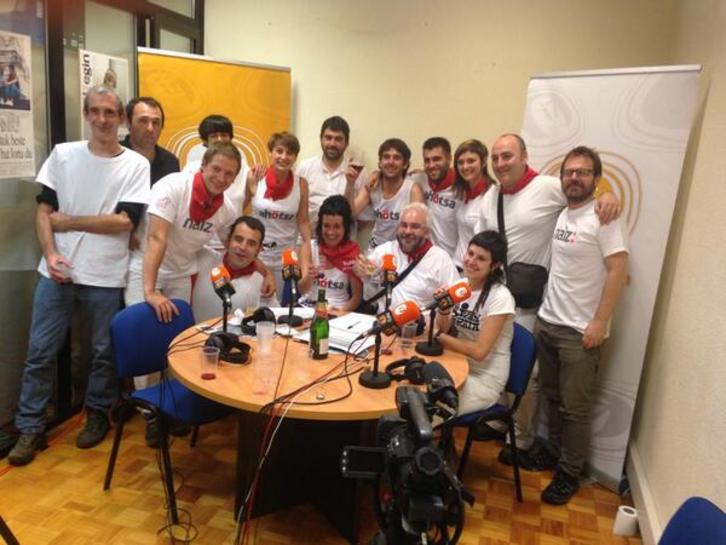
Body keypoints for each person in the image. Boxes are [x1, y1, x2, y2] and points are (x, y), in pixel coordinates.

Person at [8, 86, 150, 466]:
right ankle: (30, 427)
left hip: (105, 275)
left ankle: (97, 413)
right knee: (39, 353)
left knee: (103, 353)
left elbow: (125, 221)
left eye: (110, 113)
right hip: (56, 272)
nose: (103, 120)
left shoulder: (136, 165)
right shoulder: (63, 155)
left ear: (121, 118)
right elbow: (43, 211)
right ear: (86, 114)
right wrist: (51, 253)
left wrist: (70, 221)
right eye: (96, 112)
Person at [474, 133, 619, 467]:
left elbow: (582, 196)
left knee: (527, 372)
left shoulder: (547, 187)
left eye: (507, 156)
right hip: (497, 298)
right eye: (495, 158)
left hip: (529, 301)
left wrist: (607, 194)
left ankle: (522, 439)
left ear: (524, 156)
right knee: (496, 361)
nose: (500, 163)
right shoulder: (491, 195)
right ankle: (500, 422)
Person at [530, 146, 629, 505]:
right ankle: (551, 453)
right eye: (569, 172)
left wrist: (600, 321)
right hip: (549, 320)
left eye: (583, 172)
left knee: (576, 408)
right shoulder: (564, 212)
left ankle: (569, 473)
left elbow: (618, 270)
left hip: (579, 331)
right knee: (552, 397)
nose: (574, 178)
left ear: (596, 179)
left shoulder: (604, 217)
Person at [126, 141, 246, 322]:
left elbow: (233, 245)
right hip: (146, 271)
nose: (221, 178)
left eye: (229, 174)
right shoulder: (173, 186)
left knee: (175, 334)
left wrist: (264, 272)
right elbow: (157, 238)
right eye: (216, 169)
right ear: (203, 165)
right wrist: (150, 292)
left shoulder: (227, 210)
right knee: (140, 329)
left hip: (180, 275)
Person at [435, 231, 515, 415]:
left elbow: (479, 352)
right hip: (456, 365)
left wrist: (440, 337)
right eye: (470, 253)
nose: (471, 261)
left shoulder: (500, 297)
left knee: (427, 408)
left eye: (480, 258)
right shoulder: (460, 286)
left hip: (483, 378)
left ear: (495, 265)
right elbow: (444, 327)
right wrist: (443, 308)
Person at [354, 202, 458, 312]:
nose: (407, 231)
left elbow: (455, 300)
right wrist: (359, 268)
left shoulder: (441, 259)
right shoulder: (385, 250)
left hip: (420, 326)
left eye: (415, 226)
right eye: (404, 225)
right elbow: (361, 270)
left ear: (427, 232)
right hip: (384, 323)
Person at [245, 131, 313, 297]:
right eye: (279, 151)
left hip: (285, 257)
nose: (284, 157)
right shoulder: (255, 176)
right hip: (256, 255)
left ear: (295, 157)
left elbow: (303, 221)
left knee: (280, 308)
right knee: (254, 304)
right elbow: (241, 209)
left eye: (290, 153)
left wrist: (310, 246)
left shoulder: (301, 184)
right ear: (271, 153)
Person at [346, 138, 424, 250]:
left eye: (396, 157)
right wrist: (350, 184)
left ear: (405, 164)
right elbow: (350, 214)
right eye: (386, 157)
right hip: (376, 249)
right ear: (380, 163)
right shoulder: (372, 185)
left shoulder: (412, 189)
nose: (391, 162)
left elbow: (418, 229)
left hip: (403, 251)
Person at [295, 115, 372, 230]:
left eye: (338, 139)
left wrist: (344, 233)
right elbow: (294, 208)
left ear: (346, 143)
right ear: (321, 139)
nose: (332, 143)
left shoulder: (358, 172)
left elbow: (363, 217)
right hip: (310, 241)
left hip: (344, 244)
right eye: (328, 137)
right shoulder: (305, 168)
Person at [193, 216, 274, 321]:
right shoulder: (204, 258)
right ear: (227, 241)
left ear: (258, 250)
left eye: (251, 243)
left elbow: (272, 321)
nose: (243, 247)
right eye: (238, 239)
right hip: (193, 335)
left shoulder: (263, 283)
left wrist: (268, 274)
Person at [298, 195, 362, 312]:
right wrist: (310, 275)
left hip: (338, 311)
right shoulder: (308, 247)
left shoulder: (353, 253)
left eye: (337, 227)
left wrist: (338, 313)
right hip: (307, 309)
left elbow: (356, 297)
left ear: (345, 227)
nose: (331, 232)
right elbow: (302, 289)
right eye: (326, 226)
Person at [182, 114, 249, 219]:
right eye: (214, 136)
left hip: (230, 228)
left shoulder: (244, 168)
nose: (219, 139)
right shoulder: (191, 168)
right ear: (205, 141)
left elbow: (248, 197)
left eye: (224, 135)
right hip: (198, 228)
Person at [411, 137, 460, 256]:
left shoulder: (462, 188)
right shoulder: (420, 179)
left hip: (453, 259)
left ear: (449, 159)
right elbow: (395, 176)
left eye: (437, 159)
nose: (431, 165)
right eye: (427, 160)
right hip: (427, 256)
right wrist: (377, 174)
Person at [451, 139, 491, 270]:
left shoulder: (491, 196)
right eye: (460, 162)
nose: (465, 167)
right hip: (457, 265)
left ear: (484, 161)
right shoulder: (461, 193)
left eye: (471, 161)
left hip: (474, 271)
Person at [121, 96, 180, 186]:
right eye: (143, 121)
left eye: (156, 122)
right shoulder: (114, 157)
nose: (150, 128)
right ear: (129, 123)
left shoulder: (170, 162)